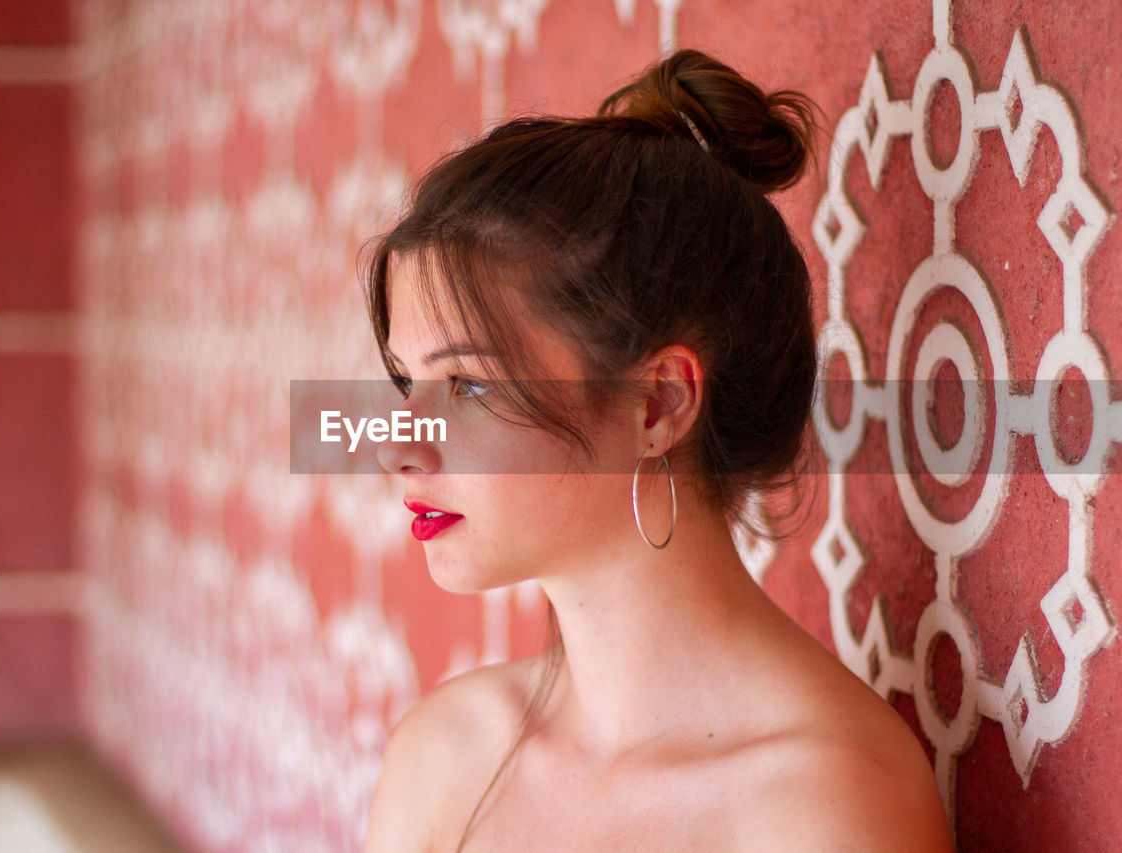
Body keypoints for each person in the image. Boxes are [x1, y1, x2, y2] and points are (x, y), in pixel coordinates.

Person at [361, 48, 953, 852]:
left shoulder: (827, 805)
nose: (399, 444)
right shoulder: (439, 757)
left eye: (469, 383)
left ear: (659, 403)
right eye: (406, 381)